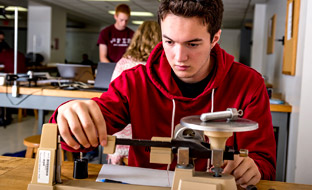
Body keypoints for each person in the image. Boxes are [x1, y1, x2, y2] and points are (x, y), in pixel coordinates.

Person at [50, 0, 276, 187]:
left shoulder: (249, 84)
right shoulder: (133, 82)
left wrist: (253, 168)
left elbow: (265, 164)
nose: (179, 57)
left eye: (193, 44)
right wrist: (69, 116)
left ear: (214, 39)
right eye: (169, 41)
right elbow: (76, 140)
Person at [108, 20, 161, 165]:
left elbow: (111, 95)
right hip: (149, 137)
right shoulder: (159, 67)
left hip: (120, 136)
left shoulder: (123, 63)